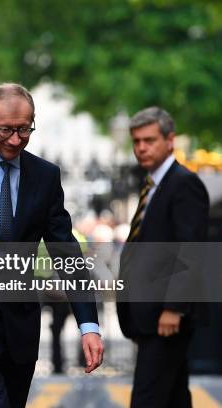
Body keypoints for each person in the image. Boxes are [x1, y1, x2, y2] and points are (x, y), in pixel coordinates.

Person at [0, 83, 104, 408]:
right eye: (5, 130)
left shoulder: (45, 176)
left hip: (20, 327)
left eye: (24, 129)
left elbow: (65, 250)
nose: (15, 140)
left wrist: (89, 325)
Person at [116, 107, 209, 408]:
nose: (141, 148)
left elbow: (191, 249)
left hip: (165, 316)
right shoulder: (153, 184)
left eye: (149, 140)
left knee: (147, 398)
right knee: (173, 398)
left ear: (170, 140)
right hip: (150, 315)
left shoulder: (183, 183)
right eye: (137, 141)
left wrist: (174, 308)